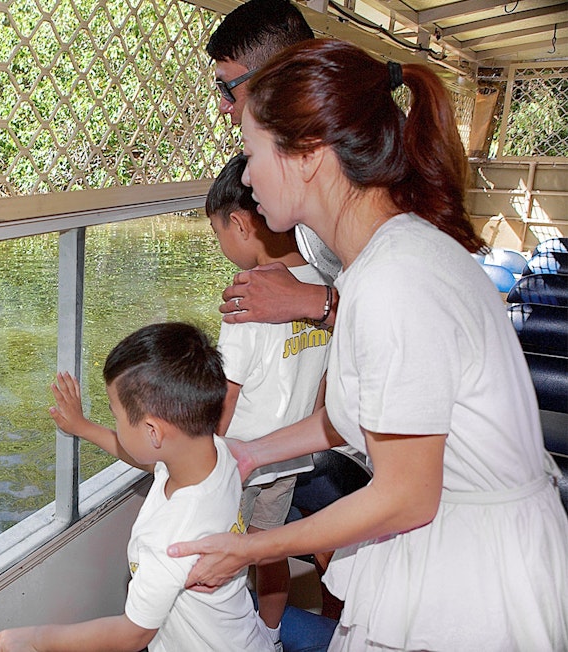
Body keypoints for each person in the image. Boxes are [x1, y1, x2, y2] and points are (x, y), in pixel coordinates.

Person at [167, 39, 568, 650]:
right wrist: (249, 453)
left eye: (252, 154)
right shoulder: (379, 261)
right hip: (452, 537)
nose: (246, 176)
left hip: (472, 578)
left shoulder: (394, 281)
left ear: (307, 157)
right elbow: (364, 415)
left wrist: (249, 548)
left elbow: (406, 495)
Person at [0, 322, 272, 652]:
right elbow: (154, 461)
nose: (116, 424)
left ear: (153, 431)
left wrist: (33, 638)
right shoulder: (214, 452)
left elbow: (131, 634)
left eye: (116, 415)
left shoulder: (172, 536)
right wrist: (83, 427)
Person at [206, 152, 331, 651]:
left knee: (228, 554)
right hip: (291, 458)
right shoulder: (322, 288)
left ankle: (228, 639)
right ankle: (272, 637)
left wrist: (202, 461)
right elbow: (323, 390)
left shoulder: (247, 297)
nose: (221, 246)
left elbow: (226, 401)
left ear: (239, 223)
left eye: (218, 232)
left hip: (241, 461)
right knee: (269, 549)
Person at [207, 0, 341, 325]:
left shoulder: (350, 170)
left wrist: (309, 301)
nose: (224, 107)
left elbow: (409, 314)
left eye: (227, 87)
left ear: (273, 76)